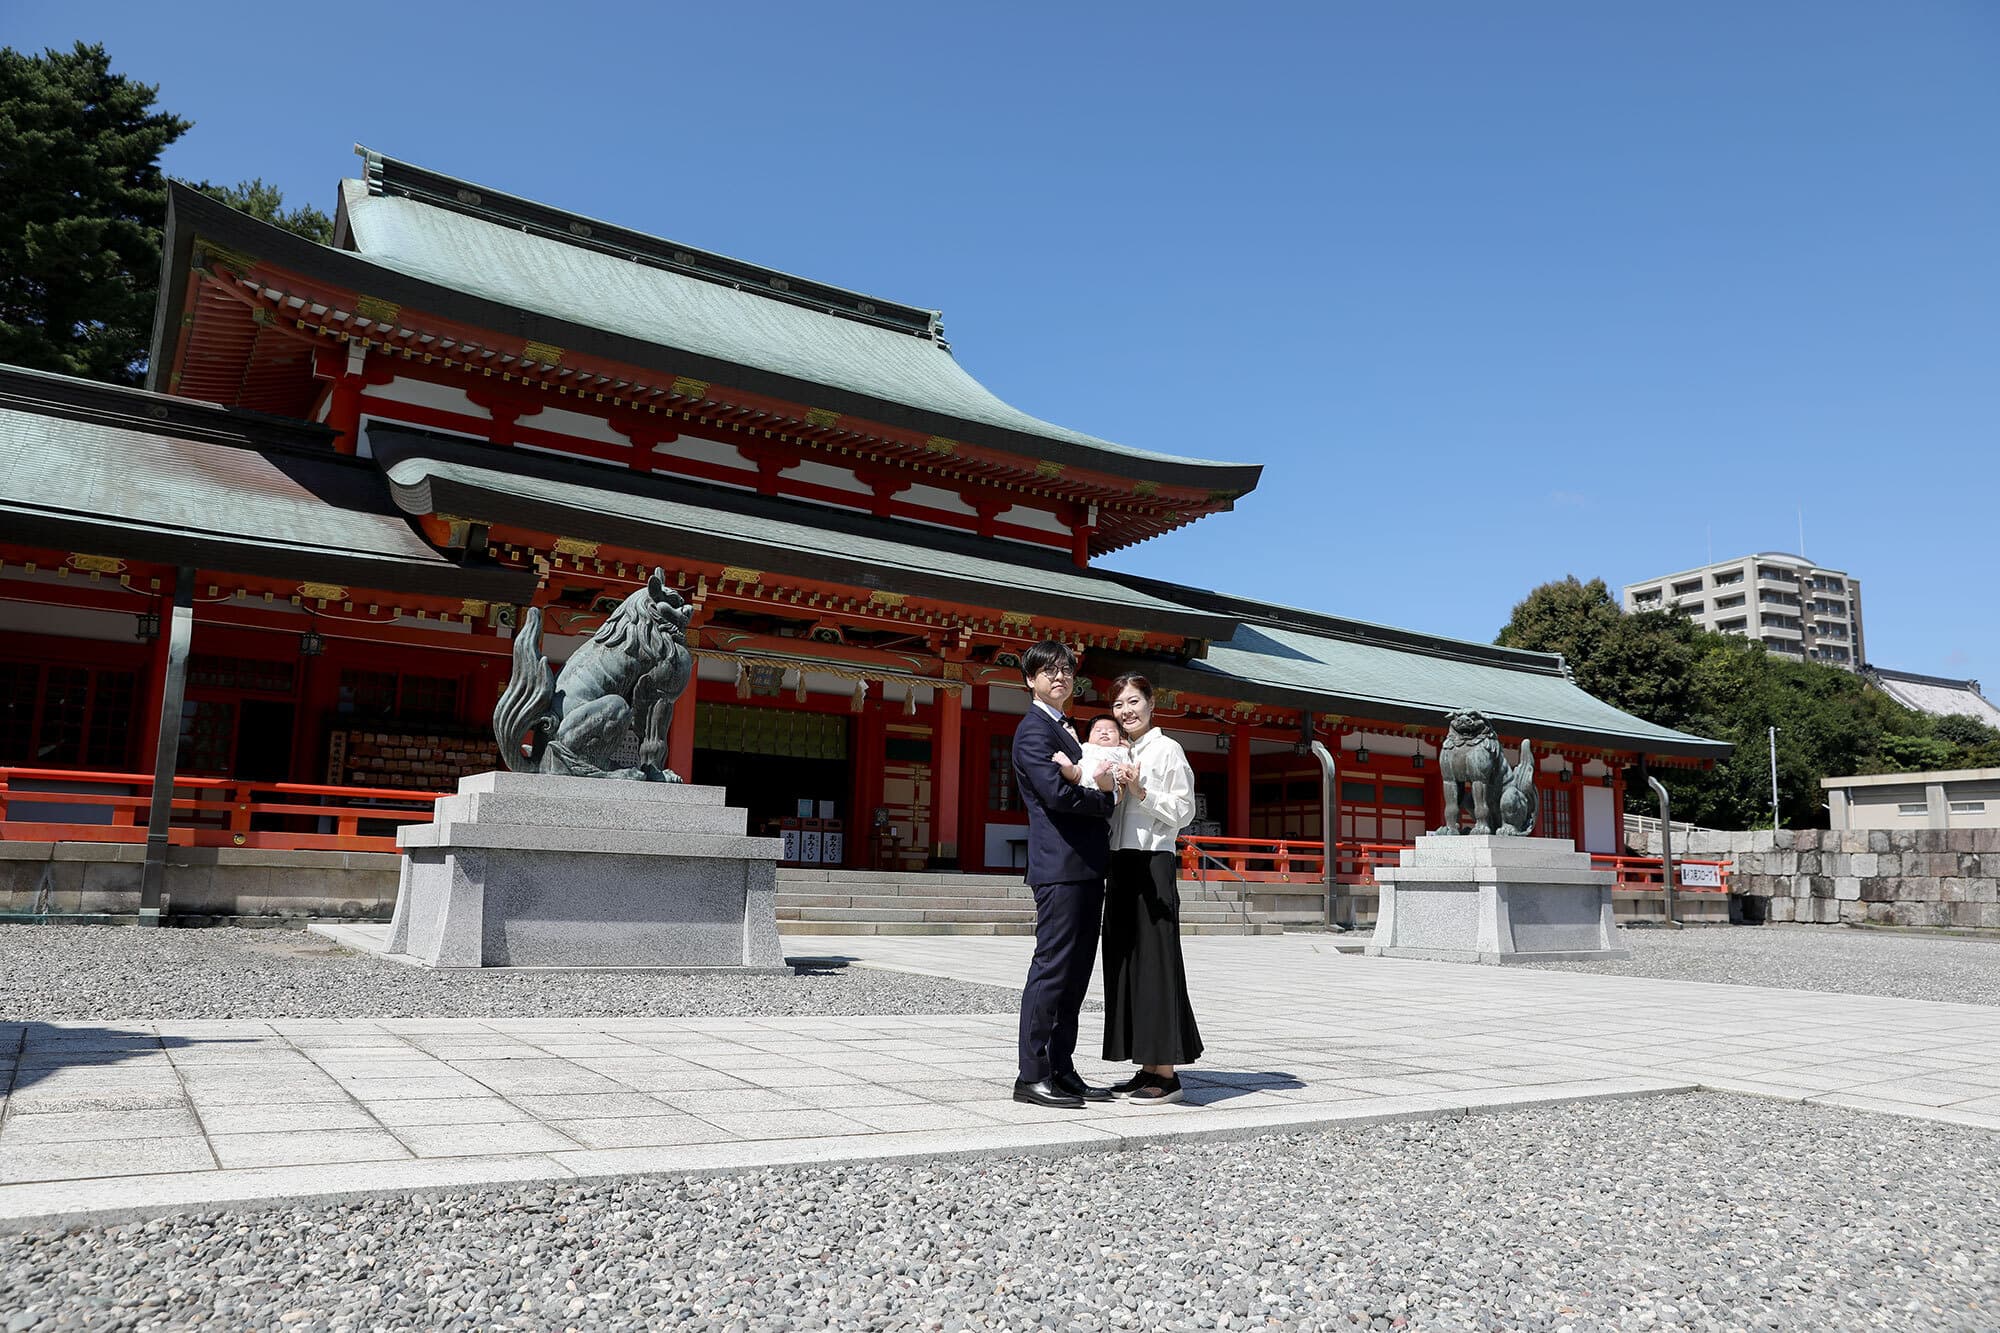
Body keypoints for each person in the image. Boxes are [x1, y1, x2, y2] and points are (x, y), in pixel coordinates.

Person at [1009, 640, 1118, 1109]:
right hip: (1060, 866)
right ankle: (1032, 1074)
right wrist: (1106, 799)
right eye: (1048, 671)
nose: (1060, 677)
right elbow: (1058, 795)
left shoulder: (1065, 729)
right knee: (1052, 969)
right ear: (1029, 680)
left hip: (1085, 865)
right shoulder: (1034, 731)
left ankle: (1061, 1068)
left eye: (1066, 671)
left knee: (1075, 974)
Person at [1102, 672, 1204, 1105]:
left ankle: (1166, 1073)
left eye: (1133, 701)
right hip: (1120, 863)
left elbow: (1184, 810)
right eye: (1118, 704)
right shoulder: (1119, 750)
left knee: (1156, 964)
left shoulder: (1168, 749)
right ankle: (1144, 1064)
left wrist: (1140, 791)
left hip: (1152, 861)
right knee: (1126, 962)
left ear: (1151, 703)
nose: (1126, 711)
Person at [1053, 714, 1130, 793]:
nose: (1104, 733)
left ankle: (1101, 775)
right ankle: (1068, 767)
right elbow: (1074, 746)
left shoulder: (1121, 750)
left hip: (1107, 780)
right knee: (1076, 771)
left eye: (1111, 731)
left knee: (1109, 777)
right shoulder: (1086, 746)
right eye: (1098, 730)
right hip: (1083, 774)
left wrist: (1124, 771)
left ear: (1120, 738)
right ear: (1089, 737)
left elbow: (1128, 765)